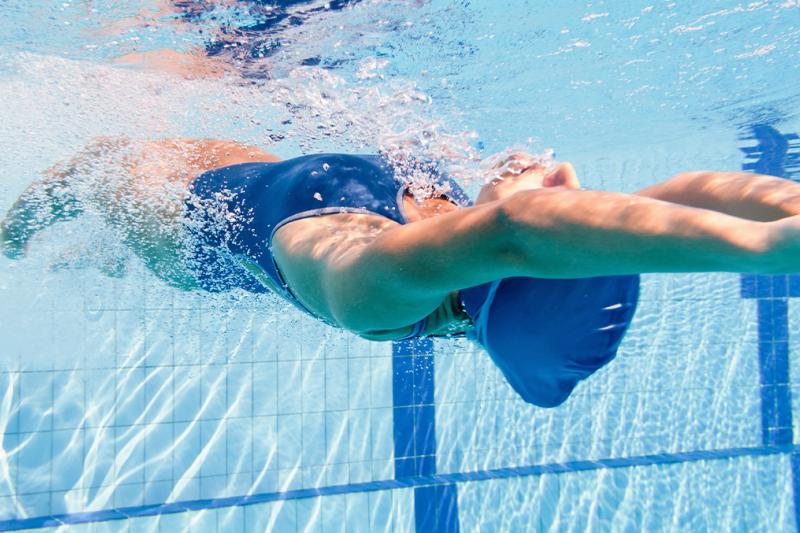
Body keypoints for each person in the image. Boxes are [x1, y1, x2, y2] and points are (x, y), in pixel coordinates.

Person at [4, 137, 800, 407]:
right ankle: (86, 256)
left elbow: (516, 229)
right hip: (250, 166)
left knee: (86, 170)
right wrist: (786, 208)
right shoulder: (459, 241)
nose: (569, 191)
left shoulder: (378, 292)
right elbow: (683, 193)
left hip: (173, 216)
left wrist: (764, 251)